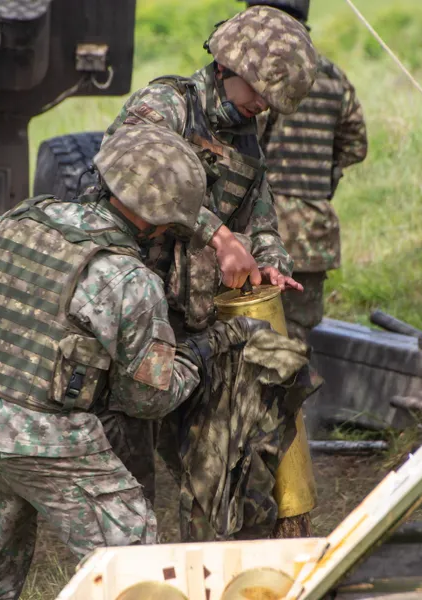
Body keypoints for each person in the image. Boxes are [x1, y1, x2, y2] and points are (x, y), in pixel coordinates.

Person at [0, 124, 268, 600]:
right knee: (139, 570)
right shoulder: (128, 279)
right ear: (161, 224)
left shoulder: (13, 222)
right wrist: (197, 352)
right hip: (48, 443)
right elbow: (148, 399)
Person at [100, 4, 322, 538]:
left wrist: (271, 264)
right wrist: (217, 236)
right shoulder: (164, 107)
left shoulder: (247, 133)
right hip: (133, 320)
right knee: (130, 483)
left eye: (273, 99)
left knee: (217, 474)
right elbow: (134, 183)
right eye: (260, 92)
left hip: (197, 328)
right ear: (227, 67)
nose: (264, 105)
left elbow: (259, 212)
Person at [248, 0, 368, 342]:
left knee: (246, 335)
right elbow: (356, 146)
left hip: (259, 226)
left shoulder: (251, 74)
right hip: (313, 233)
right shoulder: (331, 76)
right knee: (295, 337)